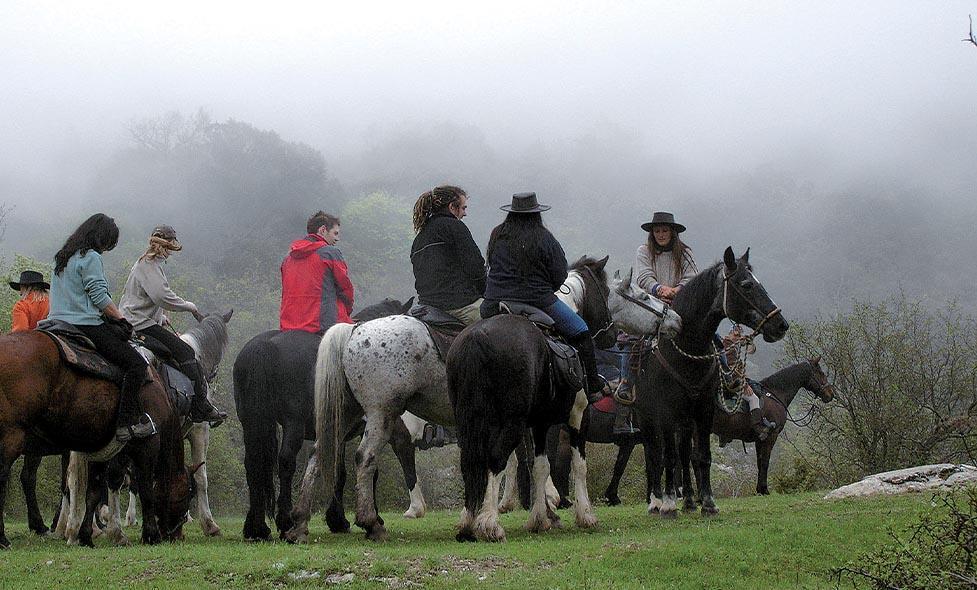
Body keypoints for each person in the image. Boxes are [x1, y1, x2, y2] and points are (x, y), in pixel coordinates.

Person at [480, 192, 606, 402]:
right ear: (536, 213)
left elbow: (491, 262)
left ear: (511, 213)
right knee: (581, 331)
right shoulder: (544, 237)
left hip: (493, 302)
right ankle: (593, 386)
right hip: (537, 302)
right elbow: (560, 275)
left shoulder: (497, 234)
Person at [48, 213, 156, 442]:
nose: (106, 248)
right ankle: (126, 424)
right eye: (108, 243)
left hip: (55, 322)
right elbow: (98, 296)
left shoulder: (62, 257)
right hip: (84, 323)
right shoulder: (91, 257)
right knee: (137, 364)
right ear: (101, 237)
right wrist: (121, 319)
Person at [119, 225, 227, 425]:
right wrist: (190, 306)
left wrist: (160, 317)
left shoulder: (147, 263)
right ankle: (200, 406)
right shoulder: (150, 265)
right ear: (168, 245)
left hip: (138, 319)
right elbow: (162, 296)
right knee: (186, 352)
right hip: (140, 324)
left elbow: (145, 298)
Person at [614, 211, 698, 434]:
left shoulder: (686, 254)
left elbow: (692, 277)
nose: (661, 234)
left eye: (664, 230)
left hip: (679, 304)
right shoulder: (644, 251)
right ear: (652, 233)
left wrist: (677, 291)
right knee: (633, 341)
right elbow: (643, 277)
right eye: (657, 231)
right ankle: (626, 386)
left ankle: (722, 385)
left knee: (710, 339)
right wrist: (660, 290)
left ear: (672, 232)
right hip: (651, 304)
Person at [410, 185, 485, 325]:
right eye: (463, 208)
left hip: (427, 306)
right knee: (505, 327)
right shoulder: (455, 227)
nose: (465, 213)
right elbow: (476, 266)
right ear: (452, 207)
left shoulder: (418, 239)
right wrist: (486, 293)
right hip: (459, 305)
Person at [280, 211, 354, 333]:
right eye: (335, 233)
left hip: (288, 325)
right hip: (323, 325)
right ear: (323, 230)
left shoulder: (287, 258)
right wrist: (347, 312)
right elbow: (346, 290)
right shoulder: (330, 253)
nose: (337, 239)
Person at [722, 324, 776, 441]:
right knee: (753, 398)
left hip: (732, 378)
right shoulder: (729, 346)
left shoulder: (729, 344)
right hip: (732, 381)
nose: (738, 337)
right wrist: (745, 385)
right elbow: (732, 368)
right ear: (732, 333)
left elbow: (749, 349)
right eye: (736, 335)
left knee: (756, 388)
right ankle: (758, 428)